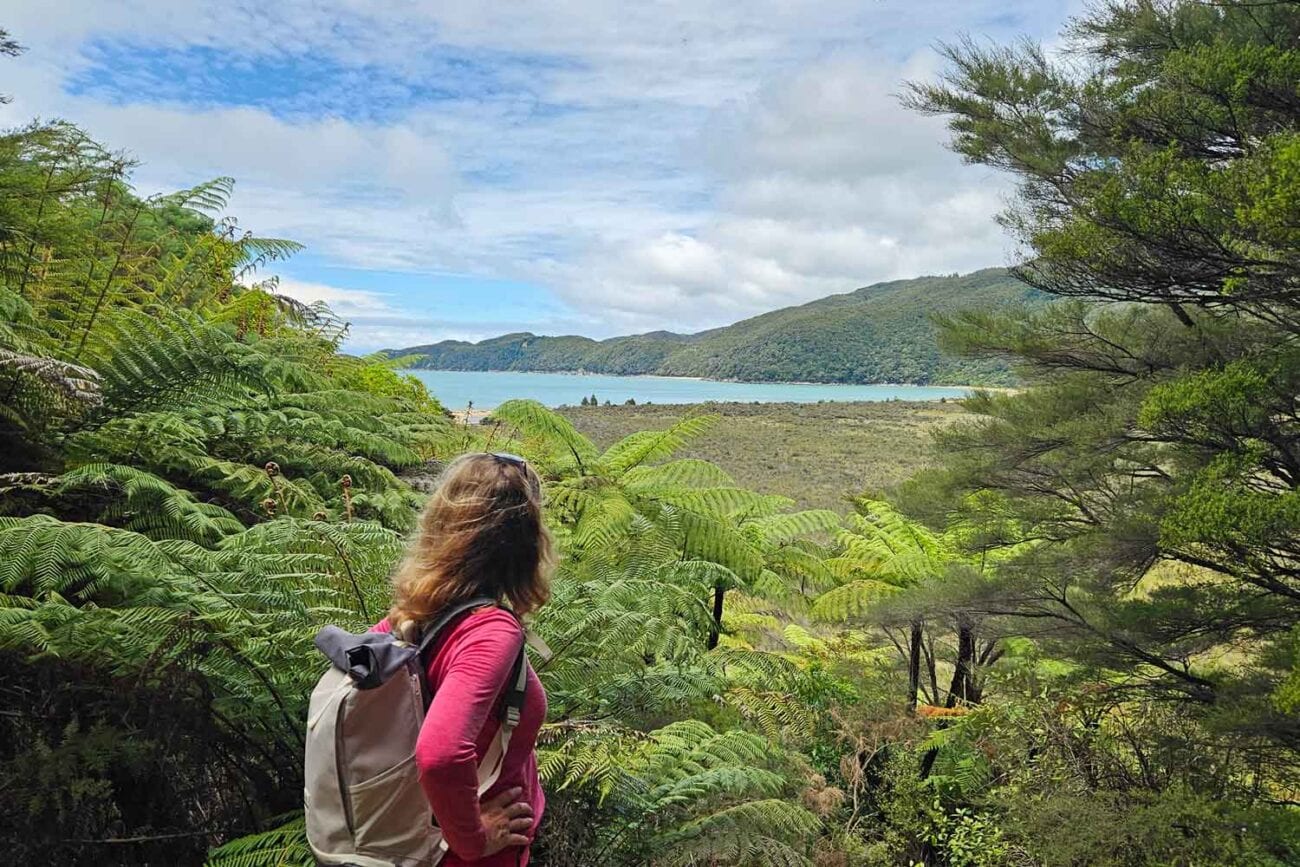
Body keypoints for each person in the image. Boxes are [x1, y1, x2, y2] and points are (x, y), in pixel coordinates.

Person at [372, 452, 552, 866]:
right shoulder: (489, 630)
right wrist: (472, 840)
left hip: (425, 844)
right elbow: (439, 754)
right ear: (524, 541)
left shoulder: (413, 615)